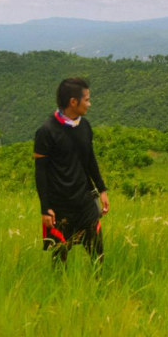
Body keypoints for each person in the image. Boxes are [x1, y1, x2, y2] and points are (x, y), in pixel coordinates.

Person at [34, 77, 108, 265]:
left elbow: (90, 160)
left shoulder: (84, 126)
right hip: (60, 206)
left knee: (97, 255)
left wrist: (102, 189)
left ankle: (99, 291)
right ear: (73, 102)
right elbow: (40, 173)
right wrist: (45, 208)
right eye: (87, 100)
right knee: (59, 259)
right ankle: (59, 294)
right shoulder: (46, 131)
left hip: (85, 202)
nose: (89, 104)